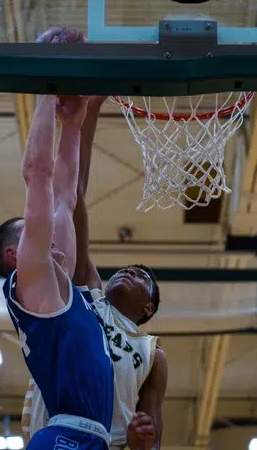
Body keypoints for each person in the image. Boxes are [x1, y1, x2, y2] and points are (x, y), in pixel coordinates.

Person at [0, 27, 114, 450]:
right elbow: (37, 175)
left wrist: (74, 124)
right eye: (31, 231)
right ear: (15, 254)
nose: (45, 231)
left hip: (82, 437)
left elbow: (65, 196)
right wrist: (44, 86)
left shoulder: (58, 283)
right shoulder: (34, 281)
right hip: (67, 437)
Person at [21, 90, 169, 450]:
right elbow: (73, 195)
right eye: (128, 268)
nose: (129, 271)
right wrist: (88, 112)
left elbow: (153, 431)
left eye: (141, 277)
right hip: (55, 430)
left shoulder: (152, 353)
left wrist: (142, 442)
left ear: (148, 307)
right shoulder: (88, 297)